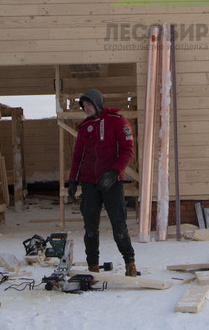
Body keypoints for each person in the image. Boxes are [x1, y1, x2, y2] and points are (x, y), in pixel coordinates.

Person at [67, 89, 137, 277]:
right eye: (84, 106)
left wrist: (114, 172)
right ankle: (93, 267)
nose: (86, 109)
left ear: (98, 103)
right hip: (89, 183)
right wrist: (73, 181)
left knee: (119, 226)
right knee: (90, 229)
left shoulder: (117, 121)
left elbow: (128, 150)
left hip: (112, 182)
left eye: (89, 104)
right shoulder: (84, 127)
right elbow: (78, 156)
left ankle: (130, 263)